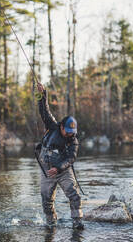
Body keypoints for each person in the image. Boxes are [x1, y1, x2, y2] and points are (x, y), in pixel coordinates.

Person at [36, 82, 84, 229]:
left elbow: (71, 158)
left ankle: (77, 221)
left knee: (74, 195)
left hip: (63, 170)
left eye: (72, 132)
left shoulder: (73, 141)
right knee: (46, 199)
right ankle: (51, 222)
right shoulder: (53, 126)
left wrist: (58, 168)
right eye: (68, 131)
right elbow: (44, 111)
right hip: (46, 171)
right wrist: (43, 95)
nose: (70, 134)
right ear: (61, 126)